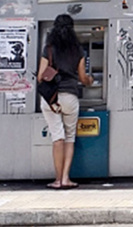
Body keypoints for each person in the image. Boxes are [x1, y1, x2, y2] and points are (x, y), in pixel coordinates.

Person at [38, 14, 94, 190]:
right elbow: (83, 78)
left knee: (58, 137)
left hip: (51, 98)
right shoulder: (77, 50)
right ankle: (65, 179)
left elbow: (40, 76)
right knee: (69, 138)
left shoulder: (48, 49)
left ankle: (56, 180)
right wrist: (90, 80)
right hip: (69, 96)